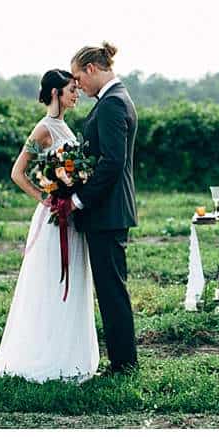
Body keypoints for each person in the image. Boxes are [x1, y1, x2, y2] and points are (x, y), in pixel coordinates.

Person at [0, 70, 99, 383]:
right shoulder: (43, 128)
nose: (76, 94)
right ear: (55, 92)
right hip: (54, 218)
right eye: (71, 90)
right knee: (51, 282)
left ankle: (69, 352)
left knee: (73, 280)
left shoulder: (65, 126)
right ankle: (45, 352)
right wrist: (45, 198)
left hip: (71, 217)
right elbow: (17, 172)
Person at [69, 42, 139, 374]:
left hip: (107, 212)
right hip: (109, 212)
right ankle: (122, 359)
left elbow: (112, 163)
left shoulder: (111, 104)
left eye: (78, 77)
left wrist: (79, 199)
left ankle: (124, 363)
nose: (77, 86)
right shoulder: (114, 99)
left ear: (92, 69)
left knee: (112, 290)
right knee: (111, 288)